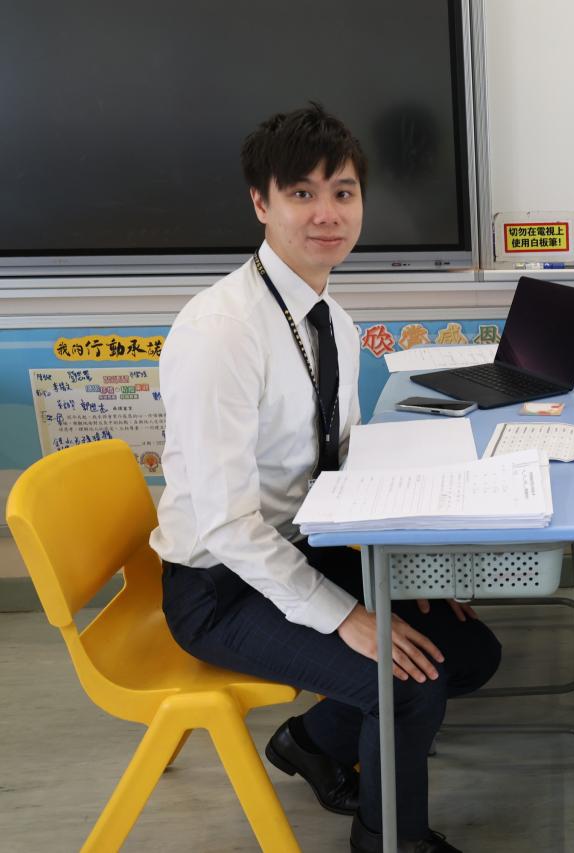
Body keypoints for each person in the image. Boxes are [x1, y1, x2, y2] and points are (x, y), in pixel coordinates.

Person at [151, 104, 499, 853]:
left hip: (301, 543)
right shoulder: (221, 332)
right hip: (218, 584)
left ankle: (310, 742)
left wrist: (401, 559)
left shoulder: (330, 316)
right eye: (301, 193)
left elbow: (337, 464)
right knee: (406, 684)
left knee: (470, 652)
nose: (326, 214)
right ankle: (387, 840)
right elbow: (226, 525)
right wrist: (345, 615)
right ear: (261, 203)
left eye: (343, 192)